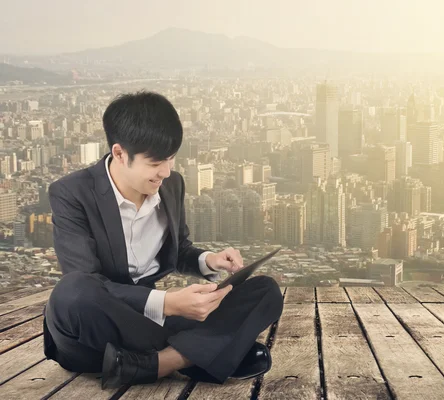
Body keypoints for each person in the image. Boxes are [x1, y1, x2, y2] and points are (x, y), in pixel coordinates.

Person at [42, 91, 284, 389]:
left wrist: (209, 260)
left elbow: (178, 249)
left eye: (171, 158)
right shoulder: (71, 193)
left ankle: (158, 362)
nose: (166, 171)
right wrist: (168, 303)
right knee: (71, 291)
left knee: (266, 291)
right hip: (99, 326)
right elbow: (88, 281)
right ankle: (195, 353)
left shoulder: (172, 184)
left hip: (151, 326)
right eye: (156, 162)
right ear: (119, 154)